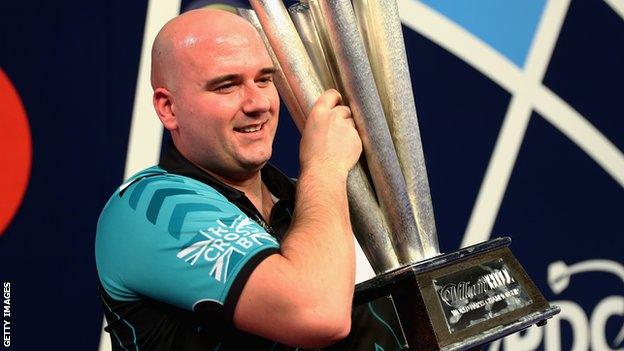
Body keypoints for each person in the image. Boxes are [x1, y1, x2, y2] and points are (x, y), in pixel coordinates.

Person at [96, 7, 365, 350]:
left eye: (264, 79)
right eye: (227, 85)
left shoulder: (305, 200)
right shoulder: (147, 207)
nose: (258, 103)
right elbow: (318, 314)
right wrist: (325, 164)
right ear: (168, 108)